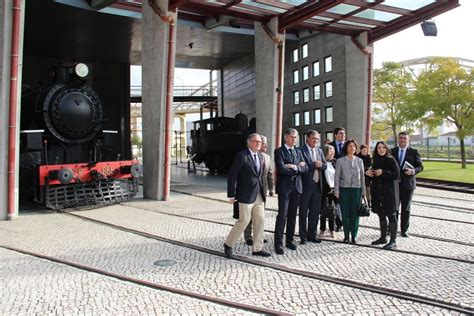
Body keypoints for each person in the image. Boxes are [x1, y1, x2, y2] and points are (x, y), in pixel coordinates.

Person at [224, 133, 271, 258]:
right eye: (255, 141)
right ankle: (228, 244)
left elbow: (260, 176)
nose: (258, 144)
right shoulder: (242, 156)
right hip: (245, 195)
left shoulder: (261, 156)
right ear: (249, 142)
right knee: (243, 221)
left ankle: (257, 248)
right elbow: (232, 176)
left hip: (259, 195)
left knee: (260, 221)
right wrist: (231, 195)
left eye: (260, 142)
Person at [274, 128, 308, 255]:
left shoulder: (298, 151)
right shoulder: (279, 151)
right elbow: (281, 169)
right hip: (284, 187)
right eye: (292, 137)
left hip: (297, 187)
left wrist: (293, 167)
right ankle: (278, 244)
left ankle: (289, 240)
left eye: (296, 137)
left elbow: (306, 168)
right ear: (286, 137)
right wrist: (298, 167)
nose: (295, 139)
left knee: (293, 216)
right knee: (282, 215)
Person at [367, 141, 400, 250]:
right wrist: (369, 173)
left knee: (391, 215)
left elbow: (396, 175)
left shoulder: (391, 160)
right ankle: (383, 237)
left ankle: (393, 240)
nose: (381, 149)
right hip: (378, 192)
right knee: (381, 215)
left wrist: (383, 172)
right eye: (379, 148)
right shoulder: (375, 160)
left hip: (389, 193)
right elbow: (373, 177)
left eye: (383, 147)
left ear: (386, 149)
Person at [391, 132, 423, 237]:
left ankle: (404, 230)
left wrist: (413, 171)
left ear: (408, 140)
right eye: (400, 138)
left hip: (408, 185)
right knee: (393, 207)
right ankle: (391, 228)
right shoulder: (392, 151)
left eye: (404, 138)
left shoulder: (414, 152)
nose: (402, 140)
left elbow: (420, 167)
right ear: (397, 139)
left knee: (406, 208)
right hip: (394, 185)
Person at [243, 135, 274, 246]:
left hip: (262, 190)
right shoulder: (248, 156)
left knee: (260, 216)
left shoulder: (267, 157)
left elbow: (270, 174)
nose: (265, 145)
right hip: (250, 190)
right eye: (263, 143)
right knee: (248, 216)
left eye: (265, 143)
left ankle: (258, 236)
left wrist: (271, 188)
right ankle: (248, 237)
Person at [334, 139, 366, 244]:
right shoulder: (340, 161)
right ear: (346, 148)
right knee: (345, 213)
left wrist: (363, 192)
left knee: (355, 214)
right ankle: (346, 235)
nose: (352, 148)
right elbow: (337, 176)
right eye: (350, 146)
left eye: (354, 146)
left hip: (356, 189)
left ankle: (354, 235)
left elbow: (362, 177)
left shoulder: (359, 161)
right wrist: (336, 190)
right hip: (344, 189)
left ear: (356, 148)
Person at [298, 130, 326, 244]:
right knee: (303, 212)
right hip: (305, 186)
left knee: (314, 212)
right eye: (314, 138)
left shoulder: (319, 151)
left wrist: (321, 165)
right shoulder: (300, 151)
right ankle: (303, 236)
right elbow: (301, 167)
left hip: (317, 186)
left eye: (317, 139)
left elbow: (325, 166)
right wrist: (313, 165)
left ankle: (312, 235)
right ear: (307, 138)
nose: (316, 141)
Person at [329, 127, 346, 231]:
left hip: (345, 178)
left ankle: (343, 222)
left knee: (343, 201)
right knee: (335, 202)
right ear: (335, 135)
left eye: (344, 134)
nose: (343, 135)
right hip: (332, 178)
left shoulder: (348, 146)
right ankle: (337, 223)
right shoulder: (330, 146)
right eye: (340, 133)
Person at [319, 144, 337, 238]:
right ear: (326, 151)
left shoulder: (335, 162)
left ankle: (332, 230)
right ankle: (322, 229)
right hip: (324, 190)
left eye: (333, 150)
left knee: (332, 211)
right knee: (323, 210)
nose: (332, 152)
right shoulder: (322, 162)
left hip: (333, 190)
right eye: (330, 150)